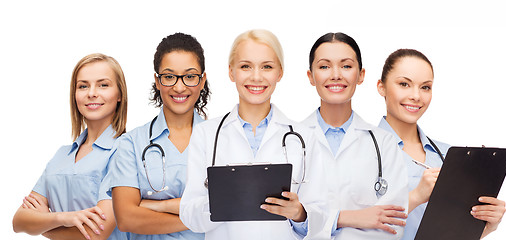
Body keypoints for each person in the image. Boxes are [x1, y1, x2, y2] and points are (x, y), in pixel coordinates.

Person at [180, 29, 327, 240]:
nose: (256, 76)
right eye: (245, 66)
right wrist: (219, 201)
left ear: (280, 73)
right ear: (231, 72)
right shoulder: (206, 135)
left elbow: (320, 215)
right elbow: (189, 215)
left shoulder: (304, 137)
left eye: (267, 66)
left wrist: (299, 213)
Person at [376, 48, 506, 239]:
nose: (416, 96)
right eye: (404, 84)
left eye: (425, 87)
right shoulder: (358, 150)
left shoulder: (448, 156)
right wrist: (415, 196)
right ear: (381, 87)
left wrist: (485, 225)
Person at [302, 32, 409, 239]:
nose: (335, 75)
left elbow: (393, 226)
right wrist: (348, 218)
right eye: (324, 66)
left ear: (361, 75)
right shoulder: (290, 141)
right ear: (311, 76)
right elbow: (284, 226)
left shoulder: (384, 143)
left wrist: (320, 223)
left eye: (346, 66)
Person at [12, 53, 129, 240]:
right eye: (83, 86)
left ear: (120, 95)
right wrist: (63, 217)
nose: (91, 93)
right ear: (74, 95)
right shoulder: (62, 155)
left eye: (103, 85)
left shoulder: (125, 151)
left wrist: (44, 226)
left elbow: (96, 232)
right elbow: (18, 222)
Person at [107, 32, 209, 240]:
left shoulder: (221, 140)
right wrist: (198, 218)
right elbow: (127, 218)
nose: (179, 87)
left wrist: (155, 206)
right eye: (169, 76)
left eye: (190, 76)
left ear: (202, 80)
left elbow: (231, 209)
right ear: (157, 81)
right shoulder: (131, 144)